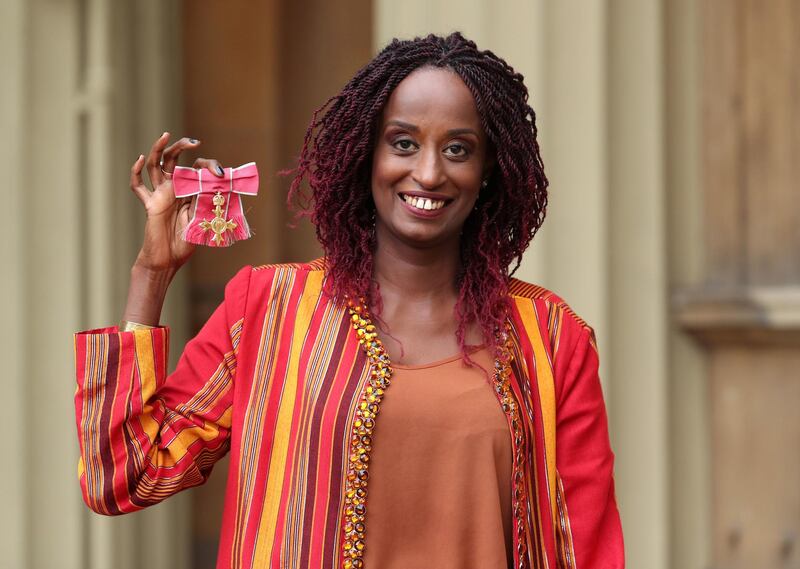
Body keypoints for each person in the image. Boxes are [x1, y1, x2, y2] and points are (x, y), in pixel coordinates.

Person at [74, 32, 624, 569]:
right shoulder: (267, 309)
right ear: (366, 154)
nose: (429, 173)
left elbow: (588, 547)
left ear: (488, 173)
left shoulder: (551, 340)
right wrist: (152, 273)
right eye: (403, 143)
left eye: (458, 149)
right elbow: (125, 475)